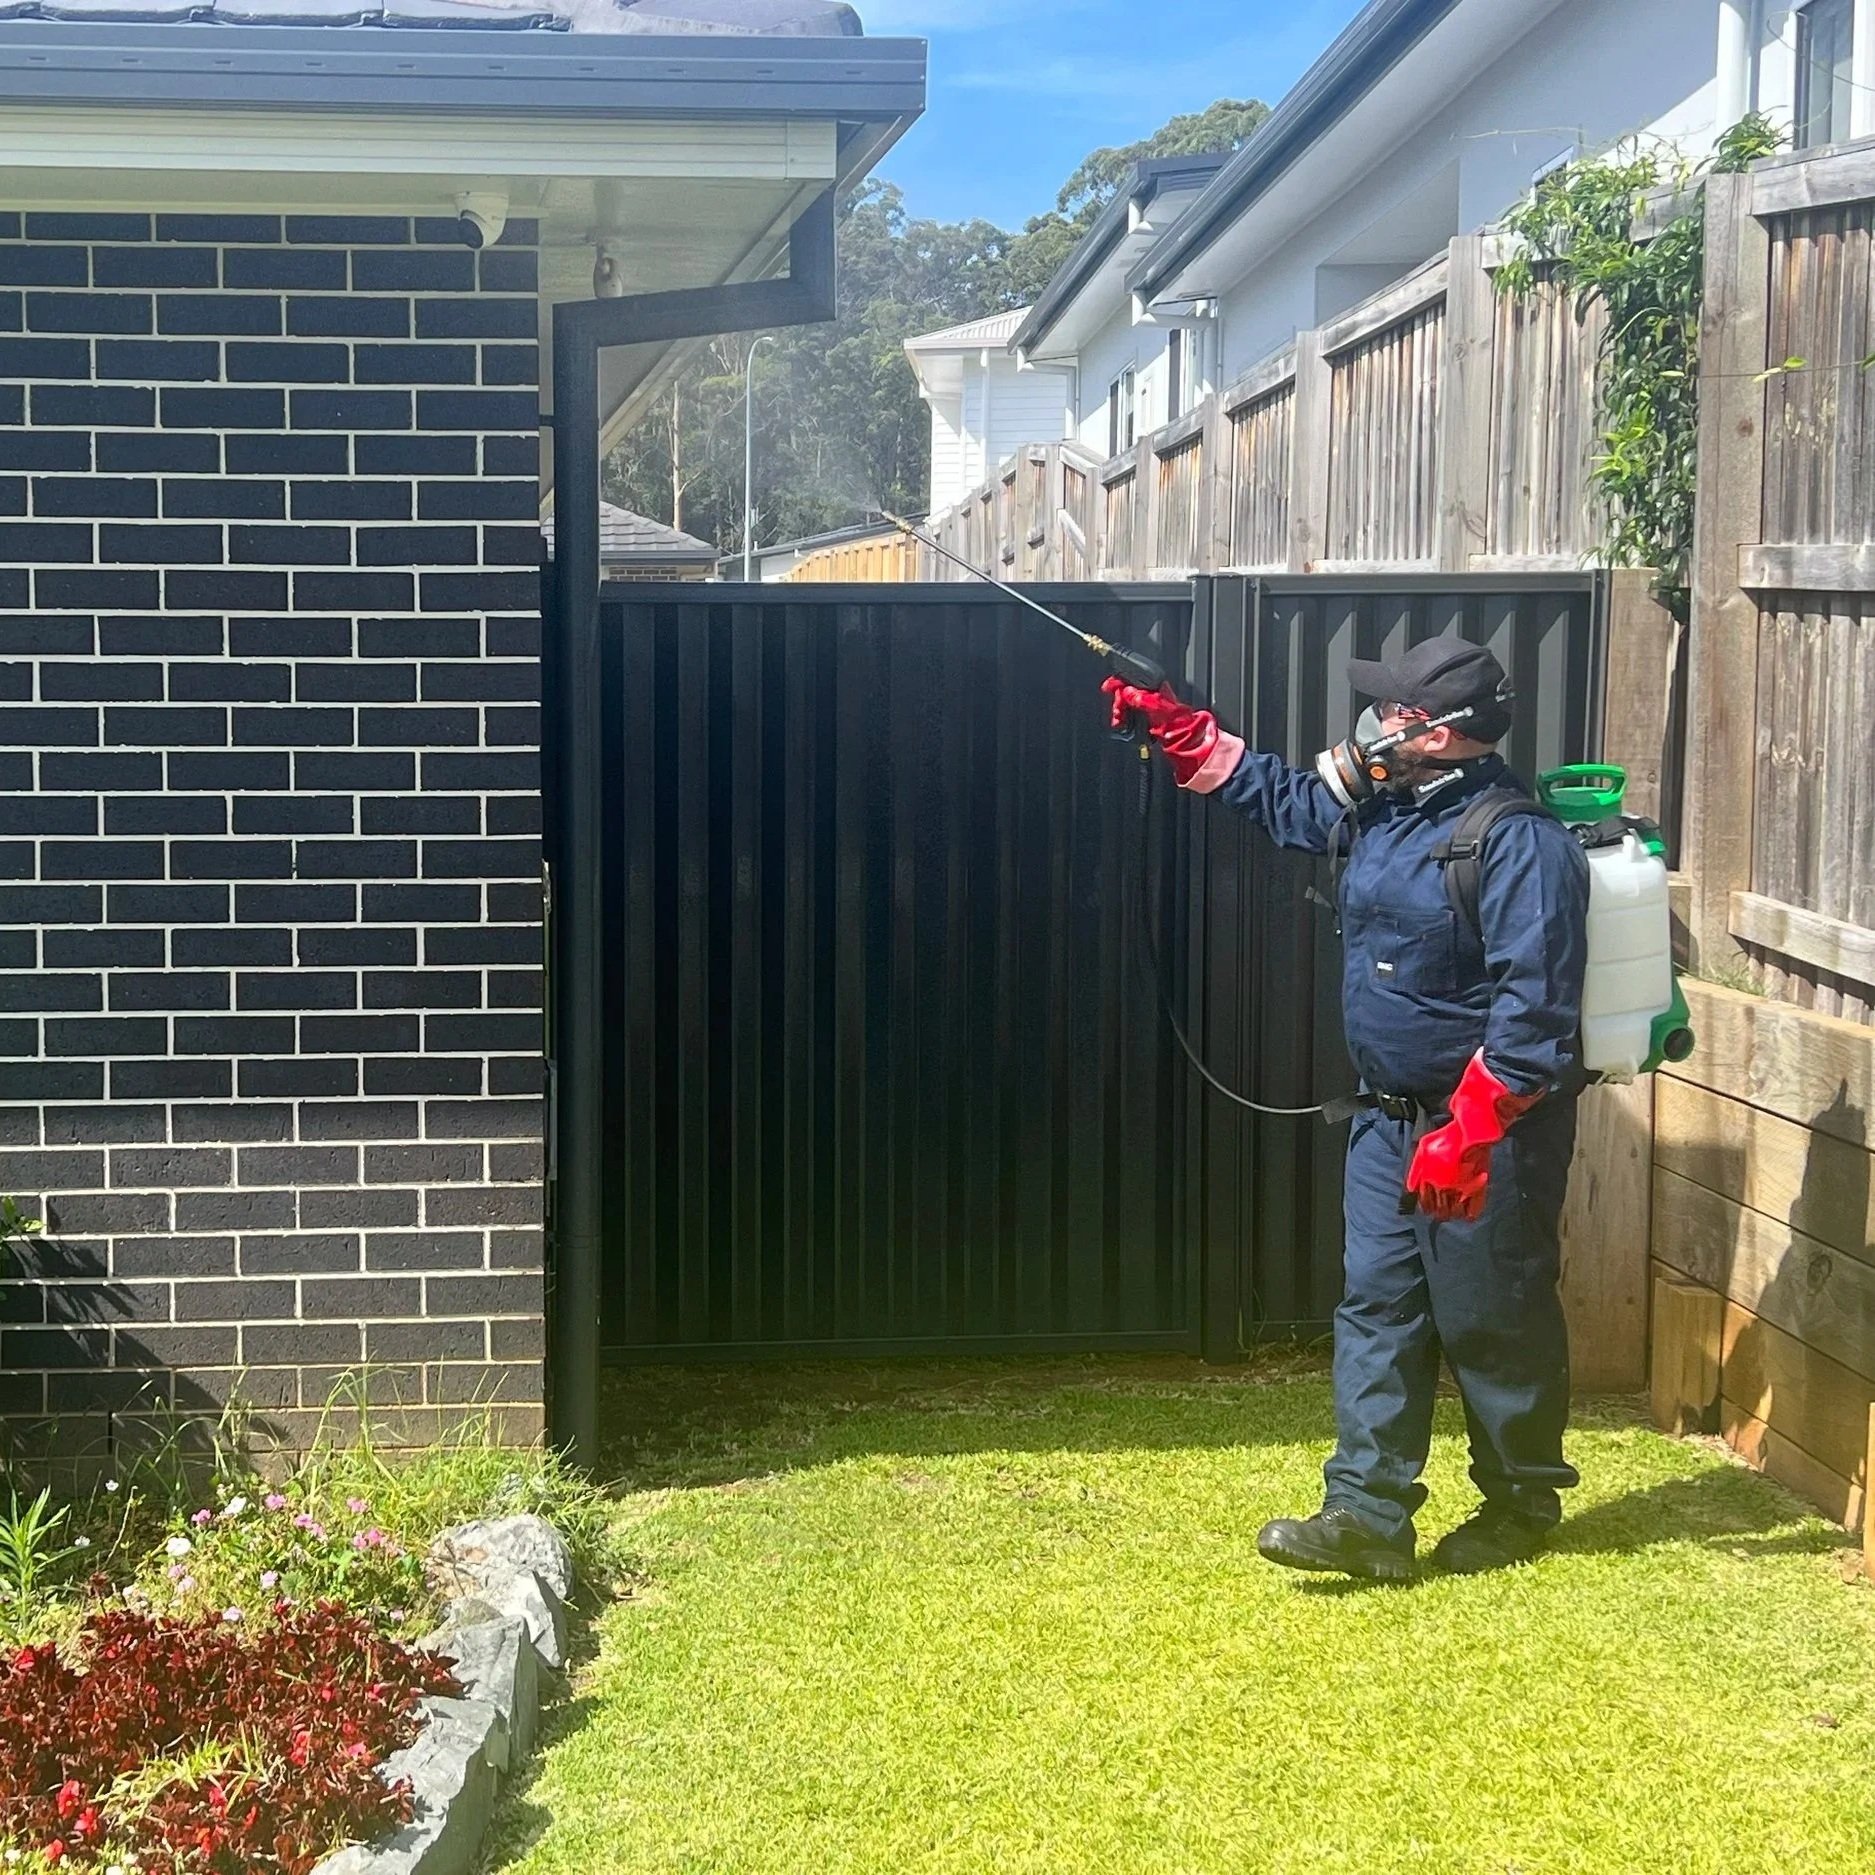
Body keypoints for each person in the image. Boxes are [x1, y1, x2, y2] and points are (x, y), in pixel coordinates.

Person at [1104, 636, 1590, 1580]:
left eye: (1396, 714)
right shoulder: (1386, 809)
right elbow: (1278, 799)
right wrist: (1178, 725)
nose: (1376, 726)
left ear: (1445, 734)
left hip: (1486, 1135)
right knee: (1376, 1310)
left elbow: (1535, 1017)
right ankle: (1365, 1514)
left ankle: (1521, 1502)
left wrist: (1473, 1133)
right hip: (1385, 1122)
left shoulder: (1517, 841)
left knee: (1494, 1315)